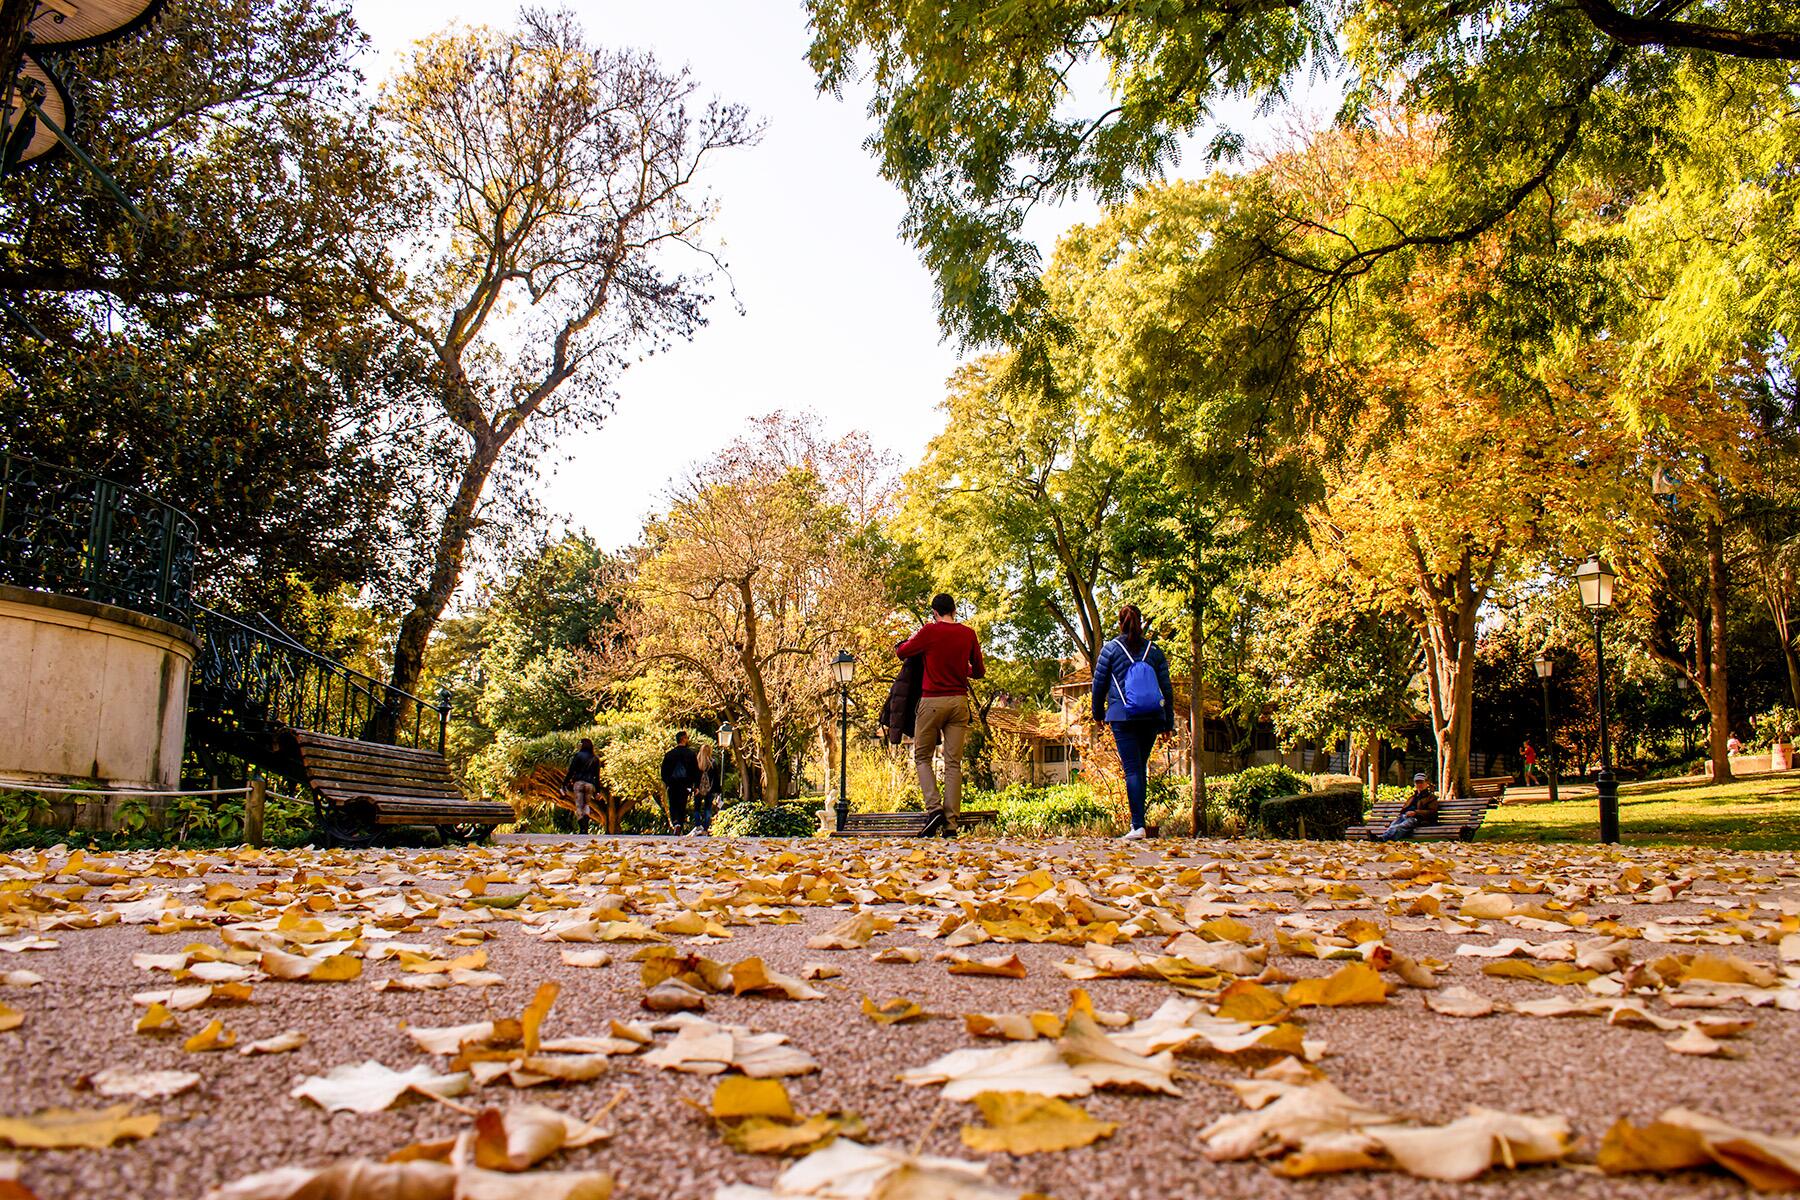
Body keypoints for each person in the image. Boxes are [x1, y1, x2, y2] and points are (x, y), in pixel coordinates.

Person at [896, 592, 985, 837]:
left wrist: (913, 640)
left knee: (922, 756)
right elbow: (978, 671)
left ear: (935, 612)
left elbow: (902, 652)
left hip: (932, 701)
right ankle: (951, 826)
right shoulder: (968, 634)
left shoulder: (930, 631)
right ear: (954, 610)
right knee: (953, 763)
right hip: (959, 703)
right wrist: (960, 669)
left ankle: (934, 808)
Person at [1090, 604, 1174, 841]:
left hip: (1123, 716)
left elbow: (1099, 685)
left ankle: (1137, 825)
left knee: (1133, 769)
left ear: (1120, 623)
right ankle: (1139, 824)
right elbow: (1166, 689)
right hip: (1151, 717)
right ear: (1141, 621)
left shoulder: (1110, 650)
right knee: (1140, 768)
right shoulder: (1154, 651)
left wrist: (1098, 714)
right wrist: (1168, 724)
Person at [1375, 773, 1439, 841]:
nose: (1419, 785)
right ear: (1415, 784)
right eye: (1417, 783)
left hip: (1420, 819)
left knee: (1401, 826)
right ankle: (1383, 839)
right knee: (1393, 825)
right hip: (1405, 816)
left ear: (1426, 783)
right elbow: (1403, 810)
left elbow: (1432, 812)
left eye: (1421, 782)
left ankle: (1382, 839)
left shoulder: (1431, 797)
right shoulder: (1412, 797)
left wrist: (1415, 813)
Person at [660, 731, 700, 834]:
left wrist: (667, 782)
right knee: (682, 805)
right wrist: (696, 786)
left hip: (672, 784)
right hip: (685, 784)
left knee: (673, 804)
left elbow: (664, 771)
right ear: (683, 739)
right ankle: (679, 825)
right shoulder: (690, 754)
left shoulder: (669, 754)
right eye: (686, 738)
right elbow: (695, 771)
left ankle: (676, 823)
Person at [561, 737, 601, 833]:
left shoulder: (578, 756)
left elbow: (571, 771)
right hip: (590, 784)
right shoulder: (595, 759)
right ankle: (586, 827)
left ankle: (582, 828)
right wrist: (598, 791)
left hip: (578, 783)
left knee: (579, 806)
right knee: (586, 805)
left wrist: (564, 784)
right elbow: (597, 776)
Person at [690, 742, 722, 835]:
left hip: (698, 790)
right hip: (710, 790)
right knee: (708, 809)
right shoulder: (712, 763)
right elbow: (716, 778)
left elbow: (693, 777)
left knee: (697, 808)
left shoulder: (697, 763)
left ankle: (698, 825)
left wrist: (694, 788)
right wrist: (718, 791)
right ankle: (705, 828)